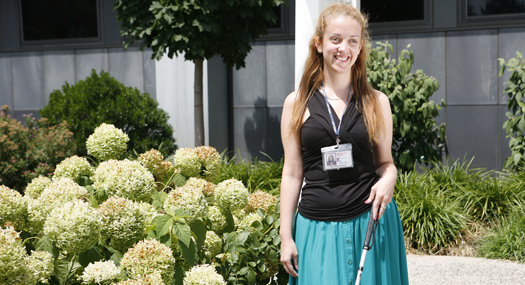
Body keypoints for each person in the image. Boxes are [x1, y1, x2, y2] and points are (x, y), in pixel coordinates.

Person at [279, 3, 409, 285]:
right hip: (316, 229)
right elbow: (291, 173)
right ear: (318, 44)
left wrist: (389, 179)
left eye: (352, 41)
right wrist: (286, 236)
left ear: (360, 47)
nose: (344, 49)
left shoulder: (377, 102)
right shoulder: (296, 103)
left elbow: (386, 164)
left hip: (370, 224)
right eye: (335, 39)